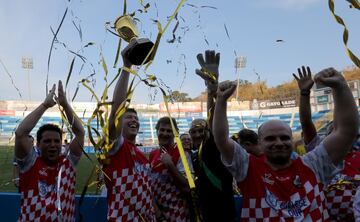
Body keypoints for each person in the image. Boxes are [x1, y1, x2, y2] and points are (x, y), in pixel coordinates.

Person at [213, 67, 359, 220]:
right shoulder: (247, 168)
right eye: (270, 139)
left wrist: (340, 85)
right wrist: (221, 100)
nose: (279, 142)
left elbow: (346, 131)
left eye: (284, 138)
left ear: (292, 140)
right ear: (260, 144)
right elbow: (221, 139)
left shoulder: (313, 164)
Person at [294, 66, 360, 221]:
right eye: (331, 133)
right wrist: (304, 93)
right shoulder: (319, 152)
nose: (336, 137)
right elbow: (306, 123)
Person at [15, 81, 84, 222]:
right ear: (38, 144)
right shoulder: (30, 163)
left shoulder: (68, 162)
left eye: (56, 141)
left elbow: (80, 133)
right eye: (47, 141)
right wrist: (45, 105)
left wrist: (65, 105)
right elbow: (21, 133)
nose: (53, 145)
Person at [102, 40, 156, 221]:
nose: (134, 120)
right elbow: (117, 110)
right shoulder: (117, 147)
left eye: (136, 118)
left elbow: (146, 190)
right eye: (129, 117)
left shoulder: (141, 155)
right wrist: (127, 66)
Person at [189, 50, 235, 222]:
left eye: (201, 130)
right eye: (194, 131)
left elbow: (214, 123)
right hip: (202, 213)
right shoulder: (191, 154)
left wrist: (212, 91)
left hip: (222, 213)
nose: (198, 134)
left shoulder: (214, 146)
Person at [149, 117, 193, 222]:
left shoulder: (182, 153)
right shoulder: (153, 154)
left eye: (169, 131)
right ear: (157, 131)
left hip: (178, 213)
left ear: (175, 134)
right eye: (162, 130)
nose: (165, 133)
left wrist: (170, 165)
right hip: (157, 214)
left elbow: (188, 187)